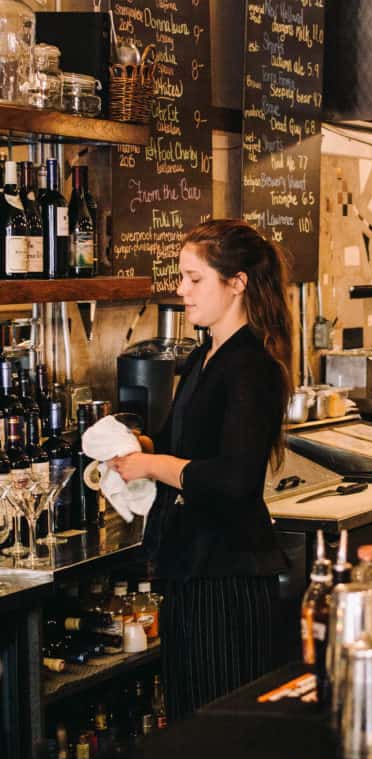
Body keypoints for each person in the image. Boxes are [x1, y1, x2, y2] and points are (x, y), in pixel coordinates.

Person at [110, 219, 293, 720]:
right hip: (189, 565)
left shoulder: (250, 366)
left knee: (222, 729)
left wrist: (151, 463)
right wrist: (128, 446)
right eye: (181, 278)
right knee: (191, 717)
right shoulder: (204, 355)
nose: (180, 290)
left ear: (237, 283)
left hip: (227, 574)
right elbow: (174, 444)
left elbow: (234, 480)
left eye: (194, 279)